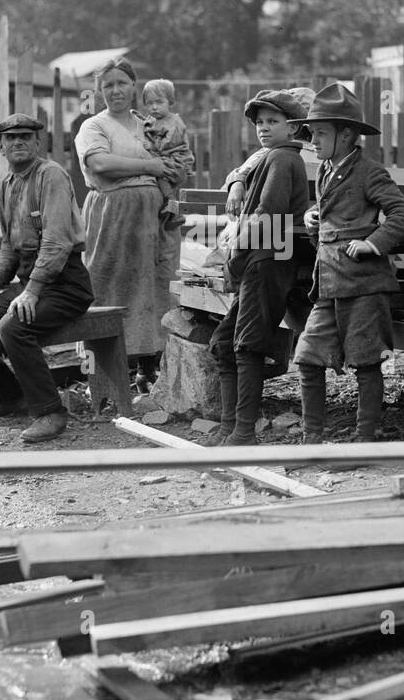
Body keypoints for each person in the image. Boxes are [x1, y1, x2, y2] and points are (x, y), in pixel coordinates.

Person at [0, 114, 94, 443]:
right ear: (0, 146)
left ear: (38, 143)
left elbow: (57, 242)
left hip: (66, 285)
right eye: (10, 138)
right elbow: (9, 244)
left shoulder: (51, 176)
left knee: (13, 326)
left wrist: (31, 291)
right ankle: (8, 396)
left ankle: (50, 411)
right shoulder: (7, 184)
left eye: (25, 137)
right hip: (29, 282)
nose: (18, 142)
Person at [294, 82, 404, 444]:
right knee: (307, 357)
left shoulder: (369, 171)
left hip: (364, 284)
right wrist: (311, 217)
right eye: (312, 133)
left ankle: (366, 438)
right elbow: (333, 213)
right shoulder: (327, 170)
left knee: (366, 361)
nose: (312, 141)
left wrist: (372, 244)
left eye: (319, 134)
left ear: (346, 135)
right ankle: (310, 439)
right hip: (329, 282)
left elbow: (402, 214)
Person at [204, 90, 310, 446]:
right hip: (259, 259)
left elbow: (268, 215)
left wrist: (234, 253)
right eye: (260, 123)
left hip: (270, 260)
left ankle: (243, 432)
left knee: (248, 343)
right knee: (223, 340)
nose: (264, 129)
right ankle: (228, 425)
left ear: (293, 126)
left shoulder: (283, 158)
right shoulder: (270, 157)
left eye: (273, 122)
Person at [73, 58, 175, 392]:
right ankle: (101, 377)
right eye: (108, 85)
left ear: (134, 86)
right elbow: (101, 164)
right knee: (108, 285)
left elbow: (176, 162)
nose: (116, 91)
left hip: (154, 217)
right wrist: (152, 166)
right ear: (100, 91)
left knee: (153, 286)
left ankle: (148, 370)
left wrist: (164, 176)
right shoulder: (94, 126)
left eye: (122, 83)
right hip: (113, 215)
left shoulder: (151, 124)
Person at [134, 78, 193, 231]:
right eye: (149, 103)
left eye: (159, 102)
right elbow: (145, 126)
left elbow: (169, 144)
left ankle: (173, 205)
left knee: (158, 172)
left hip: (176, 161)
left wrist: (151, 145)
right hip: (166, 159)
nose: (154, 107)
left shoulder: (175, 122)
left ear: (170, 102)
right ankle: (169, 215)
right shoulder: (154, 120)